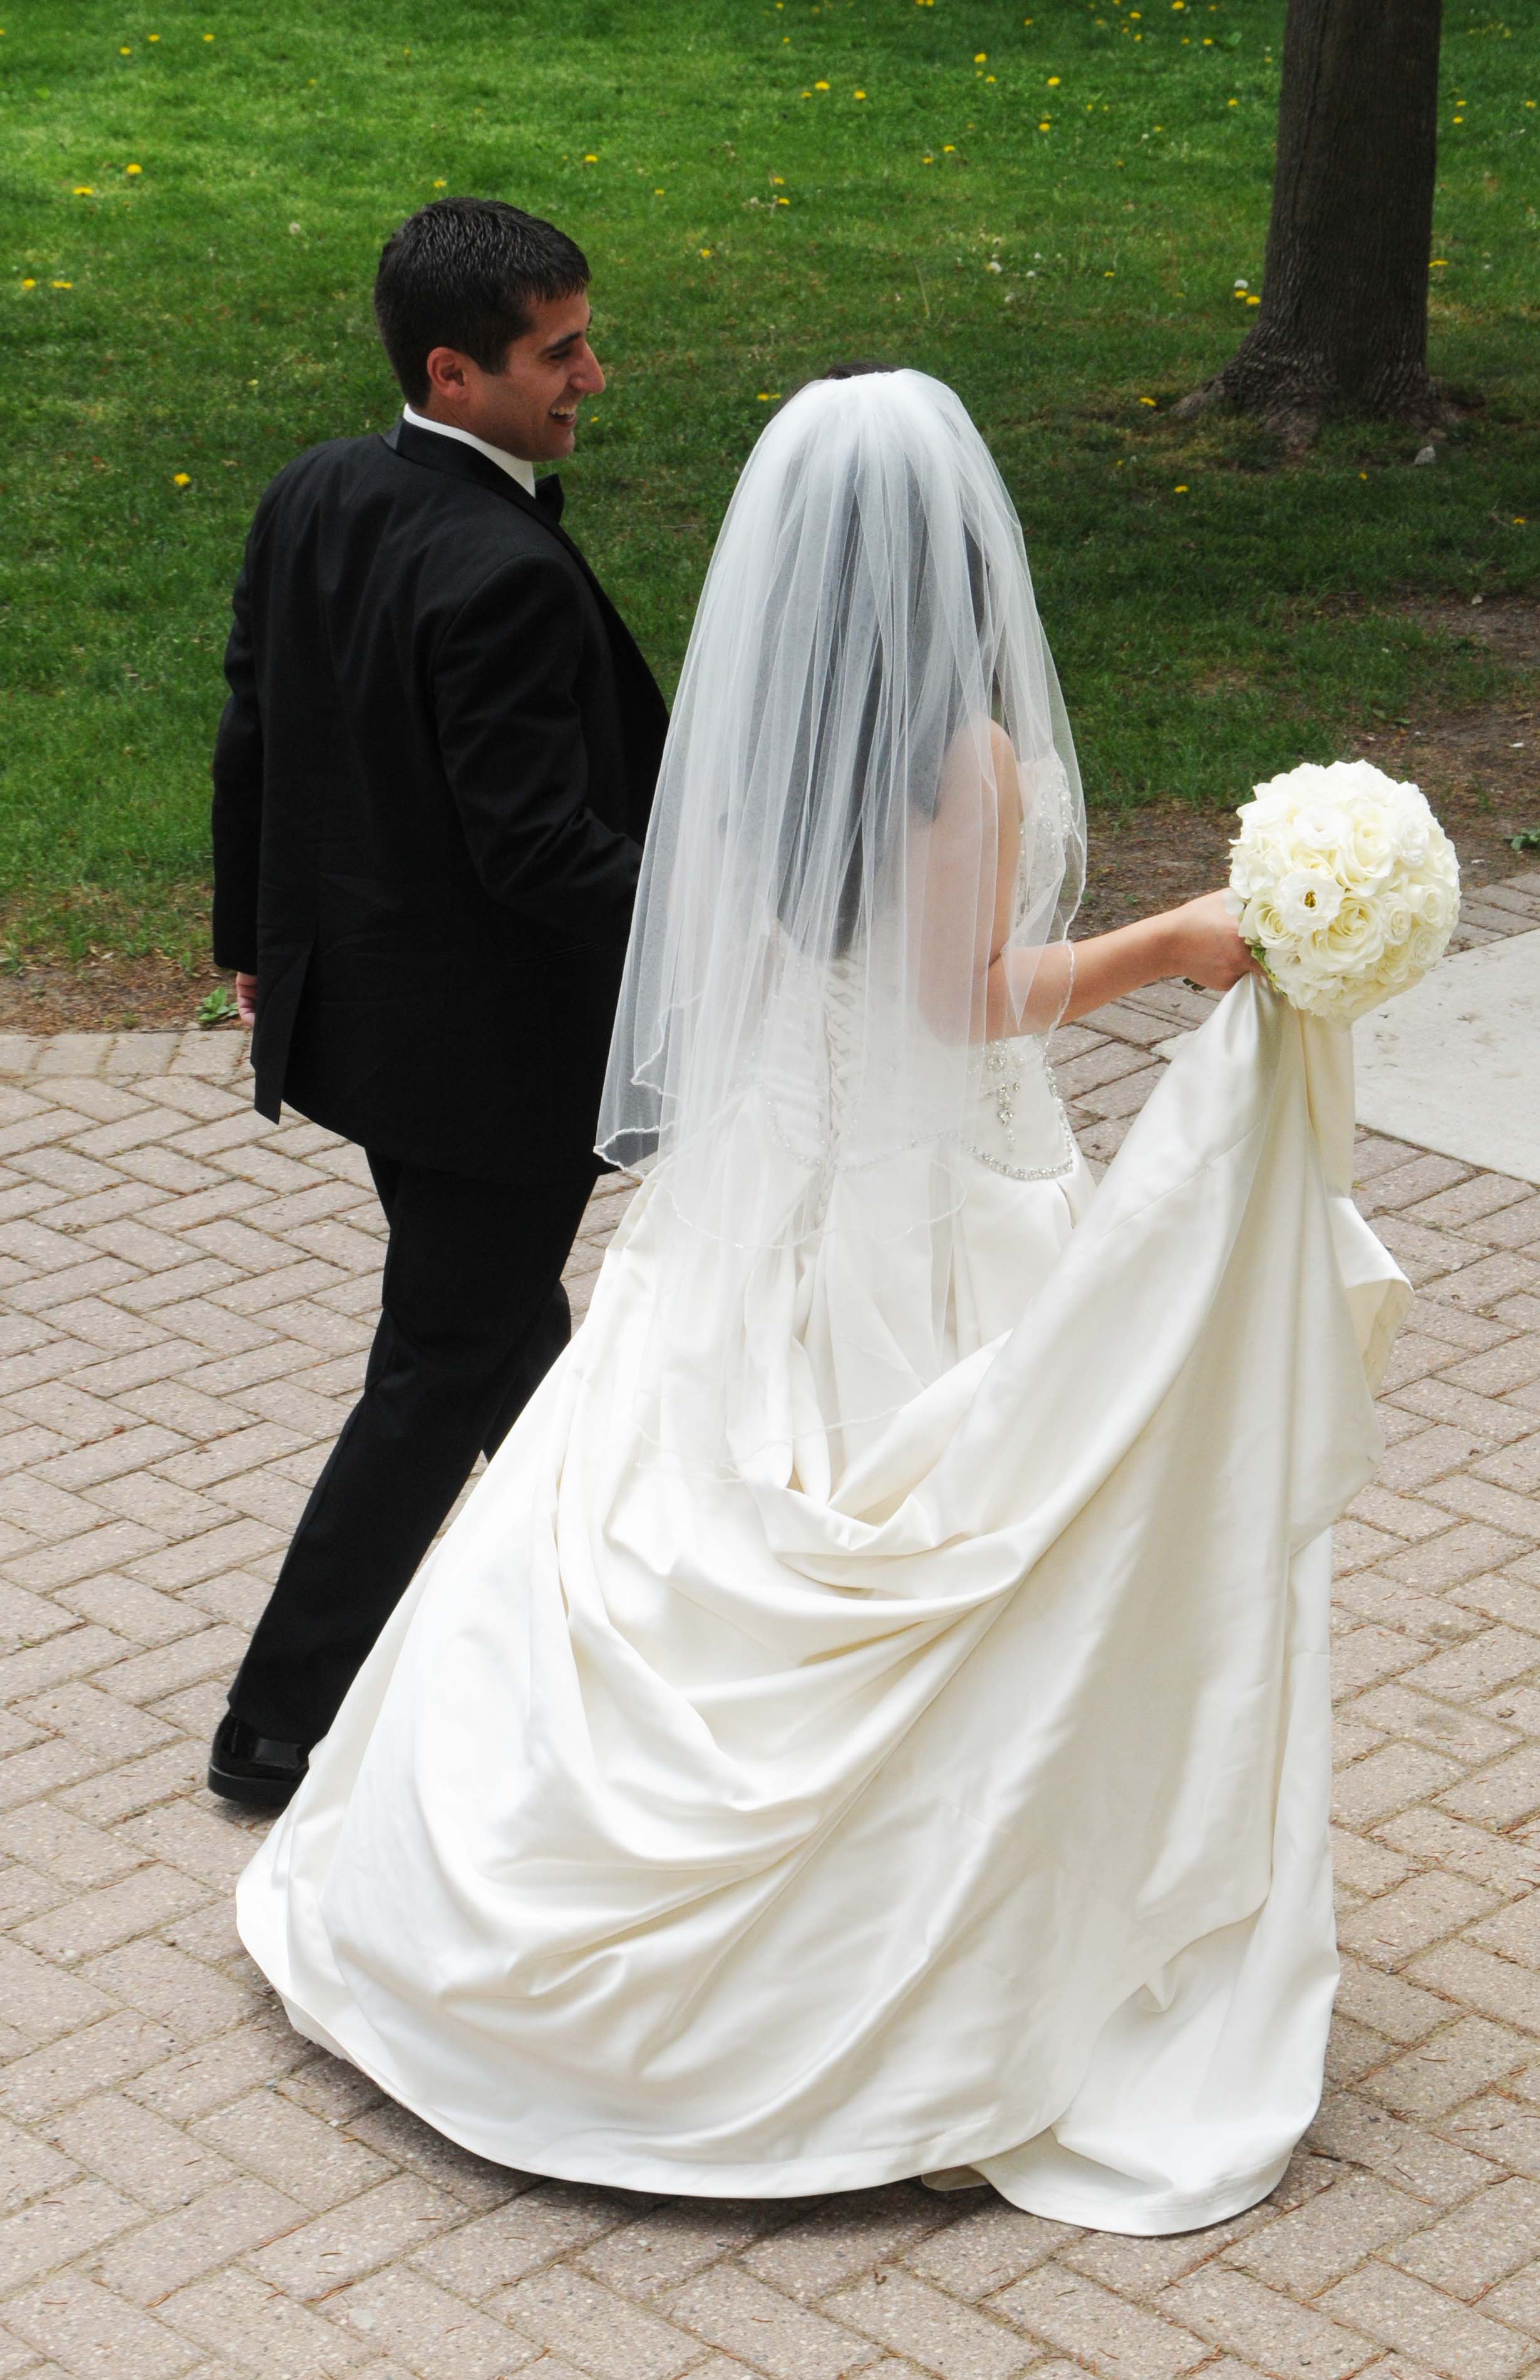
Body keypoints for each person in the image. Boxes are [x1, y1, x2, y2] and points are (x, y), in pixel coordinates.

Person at [237, 370, 1407, 2233]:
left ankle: (477, 1912)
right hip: (926, 1206)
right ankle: (943, 1972)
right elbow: (965, 1002)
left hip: (765, 1187)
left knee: (625, 1504)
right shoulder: (960, 755)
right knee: (1011, 1549)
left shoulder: (752, 731)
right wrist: (1181, 941)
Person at [207, 199, 666, 1808]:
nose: (593, 376)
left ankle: (594, 1614)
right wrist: (729, 915)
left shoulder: (316, 491)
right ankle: (278, 1722)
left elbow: (256, 730)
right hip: (496, 1076)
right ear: (454, 374)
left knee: (512, 1344)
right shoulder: (503, 570)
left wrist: (249, 939)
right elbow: (539, 852)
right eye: (562, 353)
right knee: (443, 1364)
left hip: (365, 1029)